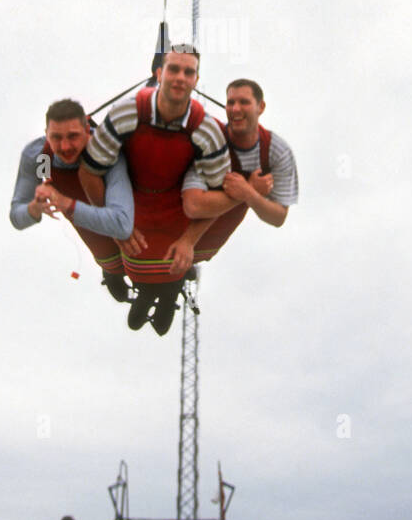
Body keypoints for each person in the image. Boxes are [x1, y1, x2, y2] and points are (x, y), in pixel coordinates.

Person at [80, 45, 230, 335]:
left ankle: (168, 289)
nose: (180, 78)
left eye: (188, 72)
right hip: (131, 204)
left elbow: (223, 193)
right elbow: (65, 163)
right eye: (173, 69)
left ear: (196, 80)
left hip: (172, 211)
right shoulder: (127, 113)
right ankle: (119, 274)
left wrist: (189, 240)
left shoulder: (206, 131)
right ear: (158, 74)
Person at [10, 99, 134, 303]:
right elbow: (17, 216)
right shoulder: (41, 157)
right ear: (46, 134)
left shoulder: (107, 147)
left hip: (132, 227)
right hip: (102, 247)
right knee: (113, 273)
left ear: (86, 130)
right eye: (56, 138)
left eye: (73, 136)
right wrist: (34, 209)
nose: (65, 146)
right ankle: (113, 274)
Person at [181, 79, 298, 260]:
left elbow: (278, 217)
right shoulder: (211, 138)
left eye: (244, 102)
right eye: (230, 103)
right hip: (172, 234)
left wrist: (248, 193)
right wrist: (249, 191)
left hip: (203, 248)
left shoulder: (276, 151)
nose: (235, 109)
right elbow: (194, 206)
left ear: (261, 107)